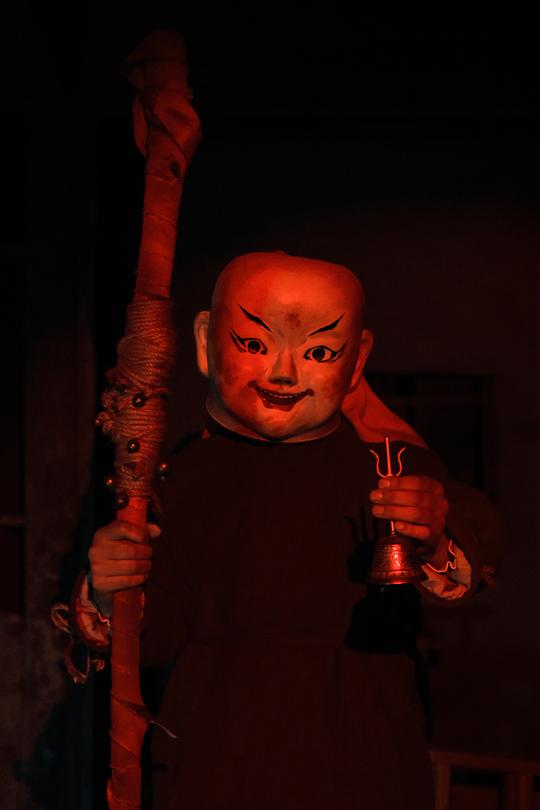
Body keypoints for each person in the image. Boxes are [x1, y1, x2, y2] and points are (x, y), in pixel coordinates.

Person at [79, 251, 503, 809]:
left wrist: (432, 537)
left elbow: (472, 566)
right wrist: (110, 589)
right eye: (254, 344)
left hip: (362, 759)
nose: (284, 373)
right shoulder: (172, 481)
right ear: (206, 342)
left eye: (319, 352)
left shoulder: (394, 468)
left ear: (357, 359)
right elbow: (153, 640)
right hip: (216, 761)